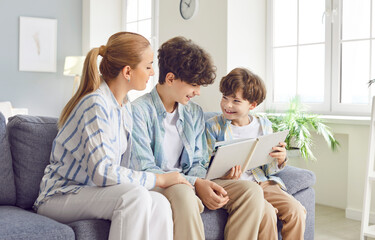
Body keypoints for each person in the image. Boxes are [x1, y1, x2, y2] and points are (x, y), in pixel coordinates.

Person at [33, 32, 192, 240]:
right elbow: (103, 172)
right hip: (60, 196)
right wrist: (159, 179)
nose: (153, 72)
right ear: (128, 71)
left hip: (94, 193)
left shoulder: (124, 107)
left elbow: (123, 170)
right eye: (148, 66)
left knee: (160, 203)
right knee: (134, 197)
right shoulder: (95, 104)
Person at [130, 36, 266, 240]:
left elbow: (199, 161)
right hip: (162, 183)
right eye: (194, 84)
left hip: (191, 180)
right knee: (184, 194)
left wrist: (201, 181)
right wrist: (195, 184)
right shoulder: (138, 112)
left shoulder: (194, 112)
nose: (198, 92)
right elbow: (145, 168)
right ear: (170, 78)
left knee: (251, 191)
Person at [205, 67, 307, 240]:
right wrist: (224, 175)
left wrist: (281, 159)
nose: (227, 105)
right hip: (235, 186)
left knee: (296, 210)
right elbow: (205, 165)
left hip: (263, 182)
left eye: (236, 101)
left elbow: (269, 167)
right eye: (225, 97)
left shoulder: (263, 125)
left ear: (252, 105)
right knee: (266, 213)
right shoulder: (213, 126)